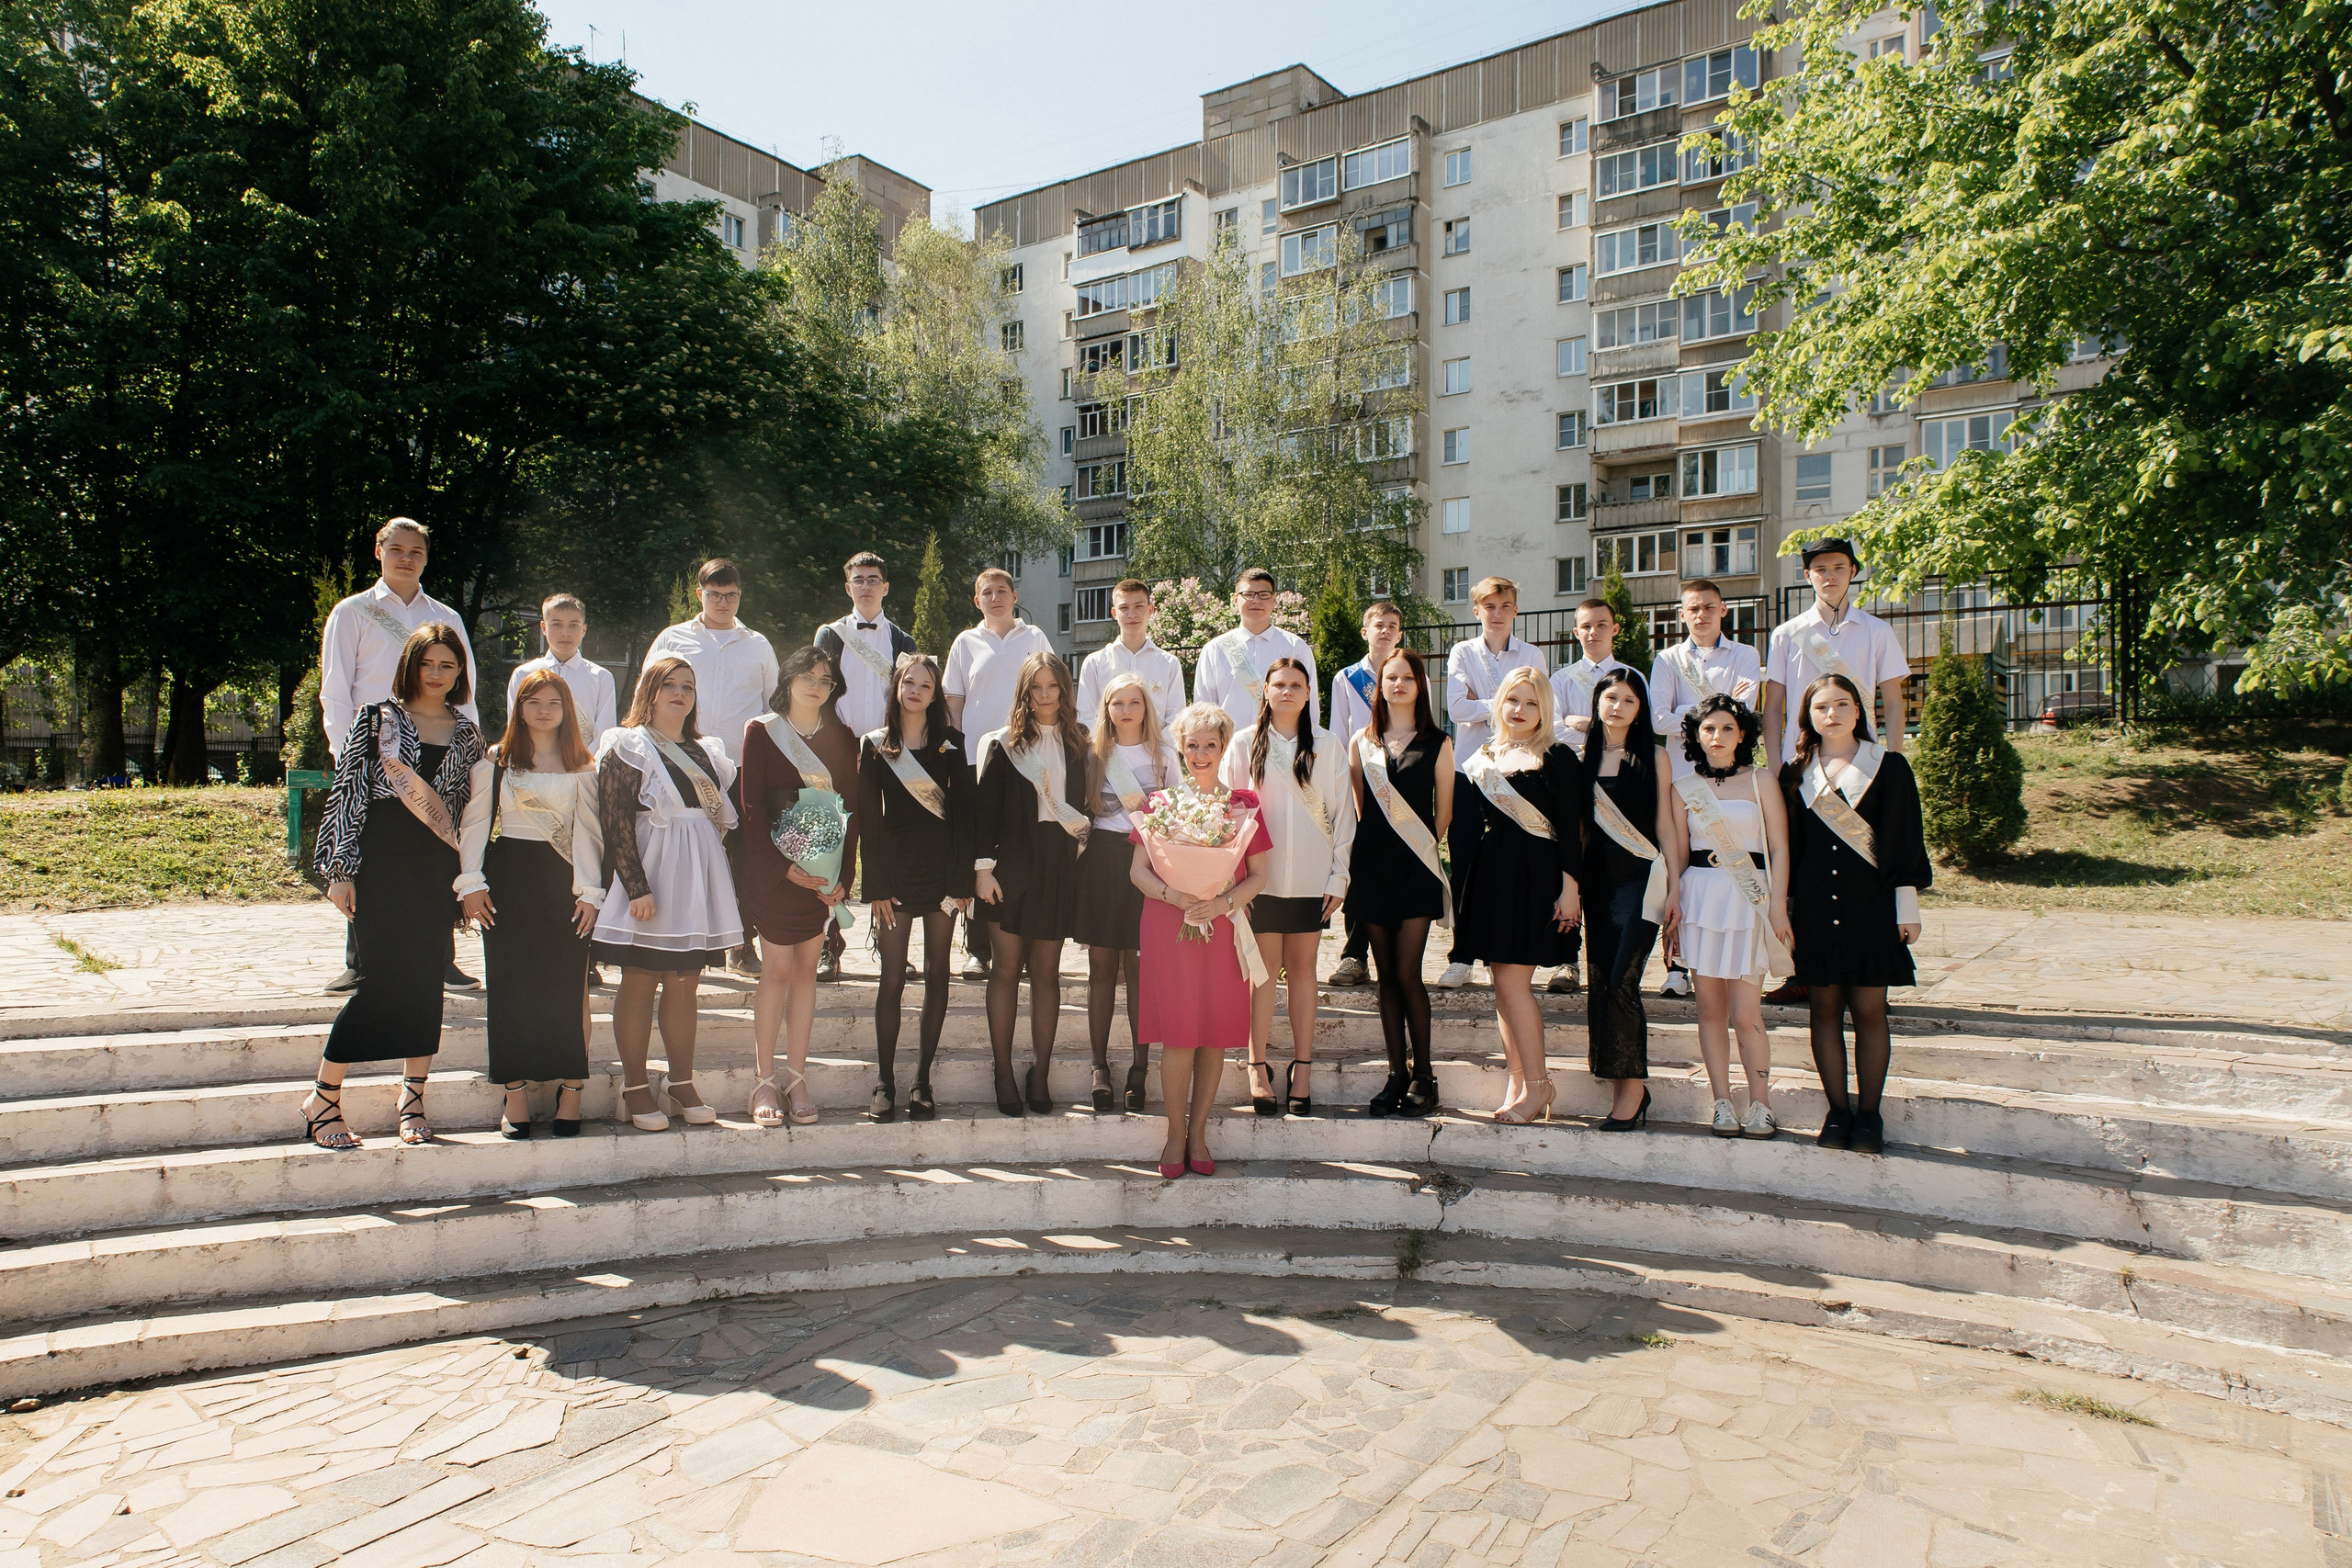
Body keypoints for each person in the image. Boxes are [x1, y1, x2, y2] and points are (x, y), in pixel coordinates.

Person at [303, 624, 484, 1149]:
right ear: (410, 665)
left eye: (447, 665)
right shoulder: (376, 719)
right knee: (379, 983)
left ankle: (412, 1097)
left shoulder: (468, 734)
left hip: (436, 870)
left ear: (460, 673)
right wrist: (339, 871)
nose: (437, 674)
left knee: (427, 983)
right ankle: (323, 1097)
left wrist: (470, 877)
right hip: (380, 865)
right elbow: (347, 793)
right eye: (428, 663)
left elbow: (470, 813)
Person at [318, 518, 481, 995]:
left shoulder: (445, 616)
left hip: (438, 746)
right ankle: (360, 958)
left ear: (426, 558)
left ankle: (442, 956)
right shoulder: (352, 613)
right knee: (369, 852)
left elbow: (465, 691)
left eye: (416, 551)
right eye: (396, 548)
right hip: (375, 750)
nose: (406, 557)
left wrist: (469, 750)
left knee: (437, 846)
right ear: (379, 550)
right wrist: (346, 754)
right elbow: (336, 691)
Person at [1780, 673, 1933, 1156]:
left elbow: (1905, 840)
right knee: (1823, 1011)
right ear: (1809, 716)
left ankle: (1869, 1116)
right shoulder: (1795, 774)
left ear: (1860, 710)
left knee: (1869, 1010)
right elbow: (1791, 847)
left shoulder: (1887, 767)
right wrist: (1785, 912)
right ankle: (1837, 1111)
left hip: (1871, 907)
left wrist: (1906, 906)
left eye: (1842, 704)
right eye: (1822, 707)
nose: (1833, 714)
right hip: (1814, 909)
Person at [592, 656, 742, 1132]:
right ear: (649, 692)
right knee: (638, 978)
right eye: (669, 685)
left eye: (688, 686)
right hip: (651, 874)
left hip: (696, 874)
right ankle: (635, 1086)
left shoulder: (707, 752)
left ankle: (680, 1083)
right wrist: (636, 886)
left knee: (684, 981)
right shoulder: (628, 745)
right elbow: (614, 821)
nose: (680, 693)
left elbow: (715, 820)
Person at [456, 669, 604, 1140]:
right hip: (509, 880)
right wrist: (471, 883)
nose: (543, 710)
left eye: (553, 703)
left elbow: (589, 836)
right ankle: (514, 1089)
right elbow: (476, 826)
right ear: (518, 708)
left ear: (567, 712)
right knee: (509, 984)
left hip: (563, 883)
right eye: (533, 701)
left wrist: (590, 893)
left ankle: (572, 1088)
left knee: (566, 986)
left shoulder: (582, 766)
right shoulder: (495, 762)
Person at [1760, 539, 1907, 1011]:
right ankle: (1804, 973)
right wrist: (1776, 766)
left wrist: (1893, 761)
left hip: (1862, 764)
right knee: (1804, 865)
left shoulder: (1877, 631)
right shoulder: (1787, 633)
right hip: (1803, 767)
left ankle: (1867, 969)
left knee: (1866, 862)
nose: (1829, 576)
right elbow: (1776, 706)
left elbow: (1893, 700)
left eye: (1838, 568)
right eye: (1819, 569)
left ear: (1853, 571)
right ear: (1807, 576)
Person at [1128, 704, 1272, 1177]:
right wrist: (1177, 894)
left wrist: (1221, 903)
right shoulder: (1159, 805)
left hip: (1222, 926)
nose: (1201, 753)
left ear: (1224, 746)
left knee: (1211, 1035)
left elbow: (1258, 878)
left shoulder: (1243, 806)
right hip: (1169, 923)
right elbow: (1137, 871)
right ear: (1180, 747)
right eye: (1193, 744)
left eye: (1211, 744)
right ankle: (1173, 1136)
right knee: (1179, 1034)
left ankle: (1199, 1134)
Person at [1220, 658, 1354, 1117]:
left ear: (1308, 692)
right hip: (1261, 880)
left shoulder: (1328, 745)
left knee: (1302, 971)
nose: (1288, 692)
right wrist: (1236, 882)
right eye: (1279, 684)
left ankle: (1303, 1068)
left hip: (1312, 879)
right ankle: (1257, 1065)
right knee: (1262, 974)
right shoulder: (1243, 745)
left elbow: (1344, 817)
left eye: (1297, 685)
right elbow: (1229, 814)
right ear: (1266, 691)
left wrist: (1339, 876)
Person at [1450, 666, 1584, 1123]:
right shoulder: (1487, 756)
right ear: (1499, 704)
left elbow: (1571, 830)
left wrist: (1571, 889)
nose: (1521, 710)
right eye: (1513, 701)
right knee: (1499, 986)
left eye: (1531, 702)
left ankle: (1540, 1084)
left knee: (1514, 984)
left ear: (1544, 707)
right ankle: (1518, 1079)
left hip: (1538, 877)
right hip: (1495, 875)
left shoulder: (1557, 756)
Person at [738, 646, 859, 1126]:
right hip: (775, 874)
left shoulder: (843, 737)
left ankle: (795, 1076)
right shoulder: (762, 732)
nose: (815, 685)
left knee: (808, 971)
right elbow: (749, 811)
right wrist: (781, 868)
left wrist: (842, 878)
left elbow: (852, 813)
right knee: (776, 972)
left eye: (825, 680)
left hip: (821, 878)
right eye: (807, 676)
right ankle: (763, 1081)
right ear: (787, 680)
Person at [1665, 694, 1794, 1138]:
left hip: (1748, 899)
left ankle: (1762, 1104)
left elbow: (1779, 846)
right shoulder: (1683, 788)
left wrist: (1777, 906)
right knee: (1709, 1009)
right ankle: (1721, 1102)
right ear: (1695, 736)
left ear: (1742, 735)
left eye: (1726, 729)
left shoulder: (1762, 781)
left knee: (1747, 1012)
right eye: (1707, 729)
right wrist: (1674, 904)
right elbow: (1678, 854)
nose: (1716, 737)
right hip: (1701, 898)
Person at [971, 650, 1091, 1115]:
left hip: (1057, 865)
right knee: (1004, 970)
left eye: (1053, 687)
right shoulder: (1002, 743)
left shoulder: (1080, 741)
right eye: (1036, 688)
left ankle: (1039, 1073)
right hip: (1009, 866)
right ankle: (1003, 1072)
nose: (1044, 696)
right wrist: (983, 870)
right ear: (1024, 691)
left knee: (1046, 973)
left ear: (1064, 690)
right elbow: (986, 811)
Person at [857, 652, 975, 1123]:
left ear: (935, 694)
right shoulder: (874, 745)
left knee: (938, 975)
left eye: (926, 685)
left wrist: (962, 880)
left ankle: (922, 1080)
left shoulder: (952, 743)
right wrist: (877, 886)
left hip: (943, 875)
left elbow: (966, 816)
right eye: (910, 682)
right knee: (891, 978)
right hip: (895, 876)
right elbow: (869, 822)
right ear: (897, 687)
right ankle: (884, 1080)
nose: (916, 691)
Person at [647, 558, 777, 977]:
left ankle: (742, 944)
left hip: (740, 767)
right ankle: (688, 943)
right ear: (700, 594)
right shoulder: (673, 639)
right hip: (682, 762)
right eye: (715, 594)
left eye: (732, 595)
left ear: (741, 595)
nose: (723, 602)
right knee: (687, 854)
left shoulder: (758, 644)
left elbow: (773, 708)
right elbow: (648, 692)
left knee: (744, 857)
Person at [1345, 646, 1453, 1117]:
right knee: (1385, 977)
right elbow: (1358, 809)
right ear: (1381, 685)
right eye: (1391, 677)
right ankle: (1396, 1075)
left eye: (1408, 677)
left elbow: (1443, 814)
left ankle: (1424, 1074)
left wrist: (1417, 848)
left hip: (1415, 869)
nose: (1398, 684)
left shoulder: (1438, 742)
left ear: (1420, 685)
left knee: (1409, 973)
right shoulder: (1361, 742)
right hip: (1371, 869)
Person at [1647, 579, 1764, 1001]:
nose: (1701, 614)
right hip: (1684, 781)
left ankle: (1736, 959)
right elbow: (1658, 719)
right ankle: (1676, 965)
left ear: (1723, 610)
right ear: (1682, 614)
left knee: (1726, 866)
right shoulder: (1668, 659)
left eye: (1709, 607)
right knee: (1678, 868)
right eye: (1693, 608)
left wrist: (1702, 716)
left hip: (1732, 776)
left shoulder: (1745, 655)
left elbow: (1744, 715)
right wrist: (1714, 710)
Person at [1577, 669, 1678, 1131]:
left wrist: (1676, 885)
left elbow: (1666, 826)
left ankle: (1633, 1091)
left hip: (1640, 883)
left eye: (1629, 700)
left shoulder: (1654, 757)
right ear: (1597, 702)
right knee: (1601, 983)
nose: (1617, 706)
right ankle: (1623, 1082)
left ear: (1641, 710)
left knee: (1622, 979)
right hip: (1596, 887)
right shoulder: (1582, 758)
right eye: (1610, 697)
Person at [1437, 576, 1547, 992]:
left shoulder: (1532, 654)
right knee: (1464, 866)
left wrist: (1488, 705)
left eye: (1504, 606)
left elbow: (1536, 710)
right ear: (1476, 610)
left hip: (1519, 773)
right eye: (1489, 606)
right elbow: (1457, 709)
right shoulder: (1463, 651)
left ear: (1515, 610)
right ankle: (1461, 956)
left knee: (1511, 867)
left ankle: (1499, 952)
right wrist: (1507, 703)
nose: (1497, 614)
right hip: (1471, 772)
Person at [944, 567, 1054, 980]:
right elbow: (954, 703)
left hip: (1027, 756)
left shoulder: (1035, 637)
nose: (995, 597)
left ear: (1014, 595)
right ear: (977, 601)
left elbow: (1050, 688)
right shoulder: (965, 642)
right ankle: (978, 948)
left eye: (1002, 590)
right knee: (981, 848)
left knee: (1020, 844)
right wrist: (954, 756)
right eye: (986, 592)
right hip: (980, 760)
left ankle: (1020, 939)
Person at [1076, 672, 1178, 1113]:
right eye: (1117, 703)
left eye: (1133, 702)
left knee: (1139, 967)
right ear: (1106, 709)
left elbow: (1176, 818)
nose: (1125, 710)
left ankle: (1139, 1066)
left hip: (1147, 862)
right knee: (1100, 965)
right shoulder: (1093, 754)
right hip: (1100, 861)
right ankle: (1099, 1066)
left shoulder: (1165, 755)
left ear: (1145, 707)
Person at [814, 552, 918, 982]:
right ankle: (828, 946)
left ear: (886, 587)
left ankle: (891, 948)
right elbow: (819, 691)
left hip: (889, 756)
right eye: (858, 580)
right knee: (834, 854)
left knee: (891, 852)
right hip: (839, 755)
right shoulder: (831, 634)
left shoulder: (902, 640)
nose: (867, 586)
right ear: (848, 587)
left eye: (874, 580)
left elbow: (913, 700)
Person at [1544, 596, 1631, 996]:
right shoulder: (1561, 678)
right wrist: (1598, 728)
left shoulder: (1631, 677)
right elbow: (1554, 730)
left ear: (1615, 629)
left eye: (1601, 624)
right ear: (1576, 632)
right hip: (1573, 782)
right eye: (1585, 626)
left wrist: (1584, 722)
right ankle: (1567, 960)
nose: (1593, 631)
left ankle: (1612, 954)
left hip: (1617, 784)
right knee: (1572, 863)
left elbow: (1635, 728)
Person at [1326, 598, 1407, 987]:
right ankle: (1353, 955)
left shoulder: (1409, 675)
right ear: (1366, 631)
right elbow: (1339, 735)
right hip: (1359, 779)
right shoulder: (1346, 678)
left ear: (1400, 633)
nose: (1386, 631)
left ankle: (1395, 950)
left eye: (1393, 625)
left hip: (1402, 779)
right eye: (1379, 625)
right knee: (1357, 866)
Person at [1193, 568, 1316, 728]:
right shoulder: (1215, 649)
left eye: (1264, 595)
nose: (1256, 601)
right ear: (1235, 600)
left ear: (1274, 599)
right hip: (1229, 748)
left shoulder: (1296, 648)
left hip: (1283, 747)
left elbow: (1310, 708)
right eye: (1248, 595)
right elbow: (1203, 710)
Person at [503, 592, 616, 755]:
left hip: (585, 770)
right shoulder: (524, 674)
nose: (565, 632)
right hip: (533, 766)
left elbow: (605, 736)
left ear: (584, 629)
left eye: (574, 625)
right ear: (543, 627)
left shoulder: (601, 678)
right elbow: (515, 728)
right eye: (556, 625)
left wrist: (582, 767)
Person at [1075, 578, 1186, 728]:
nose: (1132, 614)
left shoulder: (1169, 664)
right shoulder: (1095, 663)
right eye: (1124, 608)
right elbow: (1086, 719)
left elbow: (1176, 720)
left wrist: (1155, 750)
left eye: (1139, 606)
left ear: (1150, 609)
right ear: (1114, 613)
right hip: (1107, 750)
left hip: (1156, 750)